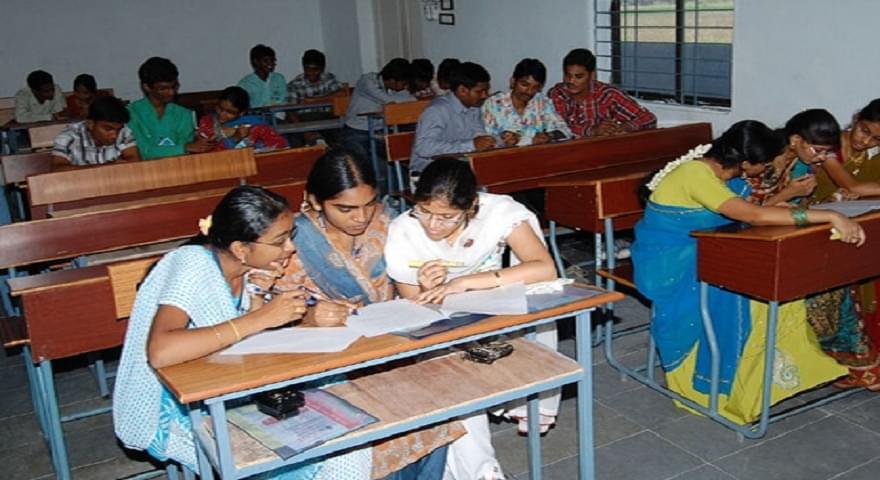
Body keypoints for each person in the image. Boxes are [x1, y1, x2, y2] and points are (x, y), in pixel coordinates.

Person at [113, 185, 373, 478]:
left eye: (290, 236)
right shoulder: (192, 263)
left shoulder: (246, 269)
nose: (290, 248)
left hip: (232, 393)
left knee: (352, 445)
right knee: (288, 457)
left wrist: (302, 317)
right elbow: (161, 351)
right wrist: (260, 318)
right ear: (240, 248)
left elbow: (244, 340)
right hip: (173, 413)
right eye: (280, 241)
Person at [631, 120, 864, 424]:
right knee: (749, 290)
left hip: (707, 248)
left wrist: (820, 217)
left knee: (777, 289)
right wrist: (830, 215)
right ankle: (716, 387)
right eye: (764, 164)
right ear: (744, 162)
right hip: (671, 263)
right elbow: (751, 214)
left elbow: (753, 214)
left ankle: (765, 382)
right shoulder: (694, 174)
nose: (766, 169)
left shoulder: (721, 171)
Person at [276, 149, 458, 479]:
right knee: (373, 430)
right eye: (345, 209)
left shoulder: (392, 223)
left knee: (434, 409)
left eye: (368, 204)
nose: (361, 218)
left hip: (394, 347)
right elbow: (264, 313)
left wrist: (424, 280)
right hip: (328, 363)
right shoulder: (291, 242)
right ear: (314, 201)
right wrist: (308, 317)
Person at [385, 157, 558, 479]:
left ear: (472, 207)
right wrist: (426, 287)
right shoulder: (404, 229)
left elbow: (543, 268)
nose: (433, 226)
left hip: (491, 308)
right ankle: (482, 472)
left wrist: (465, 282)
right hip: (441, 323)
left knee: (543, 317)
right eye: (424, 212)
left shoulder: (500, 212)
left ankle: (522, 408)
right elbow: (412, 306)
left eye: (447, 217)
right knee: (454, 377)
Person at [410, 62, 494, 185]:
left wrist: (498, 140)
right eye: (480, 91)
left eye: (486, 91)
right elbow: (424, 148)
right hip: (428, 175)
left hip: (459, 170)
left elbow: (478, 136)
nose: (485, 95)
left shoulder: (474, 108)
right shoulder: (437, 110)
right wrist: (471, 145)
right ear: (462, 90)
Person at [340, 58, 415, 190]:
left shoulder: (396, 89)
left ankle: (398, 196)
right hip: (356, 132)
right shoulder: (368, 80)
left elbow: (411, 100)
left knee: (400, 159)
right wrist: (401, 101)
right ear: (392, 80)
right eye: (403, 83)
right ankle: (382, 198)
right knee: (369, 169)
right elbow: (388, 101)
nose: (404, 87)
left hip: (381, 131)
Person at [548, 48, 656, 138]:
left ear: (592, 75)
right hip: (569, 153)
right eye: (567, 75)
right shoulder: (557, 94)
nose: (571, 81)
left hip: (604, 150)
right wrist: (593, 131)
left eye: (578, 76)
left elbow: (648, 118)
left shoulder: (607, 94)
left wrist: (623, 128)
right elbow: (559, 129)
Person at [742, 109, 841, 206]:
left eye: (827, 152)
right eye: (818, 150)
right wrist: (788, 193)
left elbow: (800, 206)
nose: (823, 157)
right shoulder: (760, 160)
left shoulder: (801, 164)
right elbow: (746, 213)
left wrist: (828, 201)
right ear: (795, 140)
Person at [128, 57, 212, 160]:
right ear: (146, 87)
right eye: (163, 88)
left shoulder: (184, 114)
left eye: (174, 86)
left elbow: (185, 155)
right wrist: (184, 148)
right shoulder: (131, 113)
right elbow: (143, 152)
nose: (171, 92)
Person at [482, 58, 571, 147]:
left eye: (535, 87)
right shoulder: (493, 104)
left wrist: (549, 135)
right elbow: (487, 142)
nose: (529, 91)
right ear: (513, 81)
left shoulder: (542, 102)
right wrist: (524, 140)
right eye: (524, 85)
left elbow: (565, 132)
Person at [810, 99, 880, 203]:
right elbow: (853, 188)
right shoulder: (827, 146)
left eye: (877, 139)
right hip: (808, 211)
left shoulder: (875, 155)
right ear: (856, 119)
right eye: (865, 131)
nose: (866, 141)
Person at [52, 96, 140, 166]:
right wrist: (107, 167)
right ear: (90, 124)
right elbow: (58, 169)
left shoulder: (124, 131)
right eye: (108, 129)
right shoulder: (69, 136)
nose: (114, 135)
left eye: (118, 129)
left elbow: (134, 161)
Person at [196, 86, 287, 151]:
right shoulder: (207, 122)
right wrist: (234, 137)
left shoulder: (255, 125)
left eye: (230, 112)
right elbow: (208, 152)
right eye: (220, 108)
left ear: (242, 113)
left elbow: (281, 146)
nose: (222, 114)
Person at [238, 44, 287, 108]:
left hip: (278, 115)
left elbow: (283, 101)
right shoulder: (245, 84)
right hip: (256, 116)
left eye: (272, 60)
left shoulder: (279, 79)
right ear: (256, 61)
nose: (270, 63)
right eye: (266, 60)